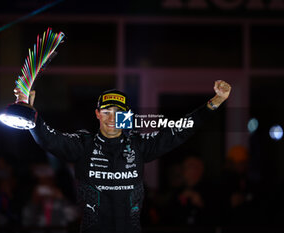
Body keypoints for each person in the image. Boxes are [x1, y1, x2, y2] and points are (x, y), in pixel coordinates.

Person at [14, 80, 231, 233]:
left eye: (118, 113)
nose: (112, 118)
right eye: (107, 112)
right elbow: (49, 140)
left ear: (126, 116)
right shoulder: (83, 144)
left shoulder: (138, 145)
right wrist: (31, 115)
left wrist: (214, 104)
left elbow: (180, 130)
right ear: (97, 114)